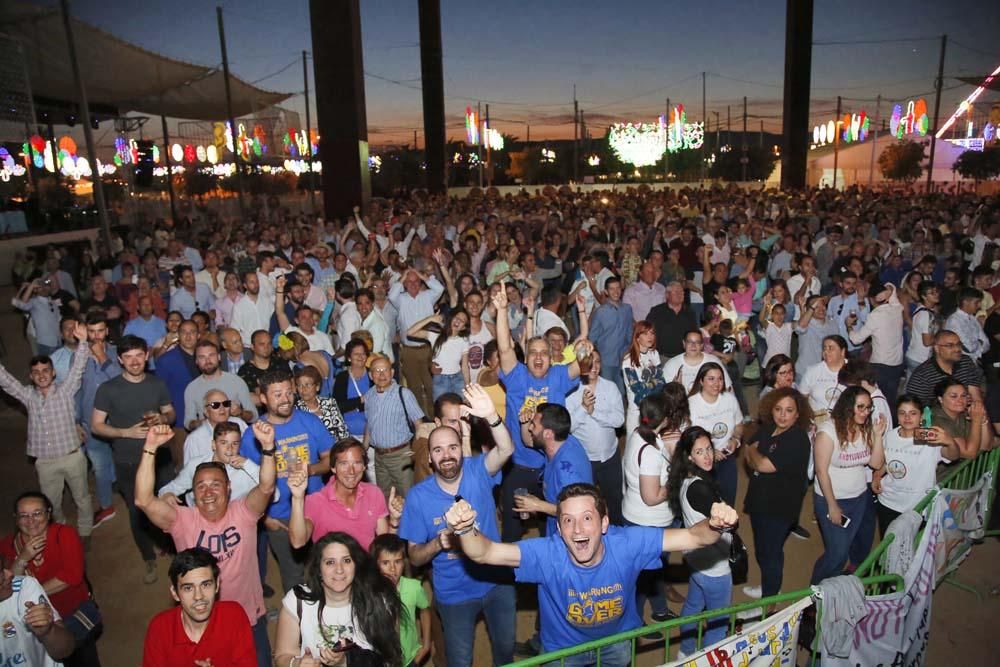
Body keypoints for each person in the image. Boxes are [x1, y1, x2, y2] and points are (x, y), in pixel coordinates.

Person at [442, 483, 738, 665]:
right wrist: (466, 529)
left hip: (617, 643)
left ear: (605, 523)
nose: (578, 529)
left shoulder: (627, 544)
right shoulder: (547, 553)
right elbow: (485, 552)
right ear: (559, 529)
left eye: (587, 518)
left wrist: (715, 525)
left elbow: (693, 538)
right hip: (562, 652)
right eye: (568, 521)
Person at [135, 421, 277, 667]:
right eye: (200, 486)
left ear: (229, 488)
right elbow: (143, 499)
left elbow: (266, 486)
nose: (208, 491)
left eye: (215, 485)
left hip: (248, 617)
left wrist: (267, 448)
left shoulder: (244, 512)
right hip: (200, 620)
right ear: (192, 491)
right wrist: (149, 449)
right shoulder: (181, 520)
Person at [398, 385, 516, 667]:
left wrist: (491, 417)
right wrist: (440, 542)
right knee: (460, 661)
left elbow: (506, 448)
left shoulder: (478, 471)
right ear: (429, 458)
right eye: (438, 450)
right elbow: (413, 556)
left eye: (452, 447)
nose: (447, 454)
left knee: (505, 651)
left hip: (498, 583)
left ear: (462, 450)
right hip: (454, 595)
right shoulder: (417, 498)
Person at [240, 369, 334, 594]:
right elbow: (245, 482)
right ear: (263, 398)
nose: (285, 399)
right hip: (278, 515)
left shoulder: (310, 421)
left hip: (315, 507)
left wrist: (308, 470)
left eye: (289, 393)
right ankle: (300, 623)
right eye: (277, 394)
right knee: (293, 575)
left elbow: (330, 459)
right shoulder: (253, 434)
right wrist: (264, 518)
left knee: (326, 567)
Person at [91, 334, 175, 584]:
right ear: (119, 359)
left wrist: (162, 419)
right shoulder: (108, 389)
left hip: (160, 458)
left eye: (139, 355)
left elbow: (170, 413)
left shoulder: (156, 383)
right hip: (129, 461)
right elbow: (96, 426)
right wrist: (125, 432)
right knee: (137, 510)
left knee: (168, 504)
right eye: (128, 357)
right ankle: (148, 557)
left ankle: (171, 548)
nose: (135, 361)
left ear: (147, 355)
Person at [0, 321, 94, 539]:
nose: (41, 375)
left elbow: (78, 367)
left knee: (82, 497)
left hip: (72, 456)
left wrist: (83, 342)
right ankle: (59, 530)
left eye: (45, 370)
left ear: (53, 373)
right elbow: (6, 381)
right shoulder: (28, 396)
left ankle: (86, 532)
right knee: (50, 502)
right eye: (36, 372)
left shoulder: (65, 390)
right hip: (45, 462)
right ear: (31, 377)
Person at [0, 492, 101, 667]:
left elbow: (72, 577)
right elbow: (9, 586)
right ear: (16, 519)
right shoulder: (8, 545)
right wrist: (23, 558)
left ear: (48, 513)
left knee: (81, 658)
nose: (31, 521)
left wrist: (30, 594)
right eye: (24, 515)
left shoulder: (64, 535)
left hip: (71, 613)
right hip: (31, 625)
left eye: (37, 513)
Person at [273, 532, 404, 667]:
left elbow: (390, 659)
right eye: (330, 562)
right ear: (318, 569)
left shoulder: (379, 599)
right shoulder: (298, 600)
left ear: (356, 565)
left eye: (346, 560)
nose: (339, 570)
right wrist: (296, 663)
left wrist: (346, 661)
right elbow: (282, 655)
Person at [667, 426, 734, 659]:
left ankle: (685, 652)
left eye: (708, 449)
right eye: (699, 452)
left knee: (693, 607)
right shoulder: (700, 489)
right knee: (718, 623)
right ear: (688, 456)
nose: (707, 456)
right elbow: (729, 523)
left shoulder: (686, 479)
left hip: (695, 559)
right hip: (715, 568)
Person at [742, 388, 813, 601]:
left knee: (770, 553)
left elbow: (761, 463)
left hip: (779, 508)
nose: (782, 415)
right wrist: (753, 453)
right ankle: (769, 587)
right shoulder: (770, 428)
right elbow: (747, 447)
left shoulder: (798, 439)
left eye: (789, 410)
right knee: (762, 550)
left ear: (798, 413)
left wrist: (754, 452)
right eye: (778, 409)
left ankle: (769, 601)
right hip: (759, 501)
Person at [810, 386, 886, 584]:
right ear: (847, 406)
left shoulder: (866, 429)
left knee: (843, 550)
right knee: (837, 553)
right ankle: (814, 592)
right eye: (860, 407)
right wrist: (832, 505)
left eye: (868, 408)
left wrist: (878, 436)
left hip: (859, 499)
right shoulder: (828, 431)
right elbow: (821, 471)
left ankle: (833, 590)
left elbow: (876, 464)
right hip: (832, 500)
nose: (865, 412)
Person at [621, 390, 684, 625]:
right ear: (666, 419)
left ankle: (659, 609)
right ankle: (634, 624)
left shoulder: (639, 434)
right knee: (642, 579)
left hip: (640, 518)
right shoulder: (648, 453)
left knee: (655, 571)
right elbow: (652, 496)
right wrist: (675, 479)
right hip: (647, 523)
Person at [142, 548, 256, 667]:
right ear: (175, 593)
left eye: (206, 584)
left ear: (217, 585)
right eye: (188, 588)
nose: (198, 596)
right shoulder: (159, 629)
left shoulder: (234, 616)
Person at [288, 438, 403, 551]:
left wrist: (394, 520)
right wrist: (297, 498)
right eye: (344, 464)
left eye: (357, 463)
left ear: (364, 466)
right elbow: (298, 542)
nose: (351, 471)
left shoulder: (374, 493)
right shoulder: (316, 501)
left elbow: (385, 547)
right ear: (333, 468)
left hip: (366, 568)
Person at [872, 395, 960, 535]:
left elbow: (953, 456)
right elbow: (885, 461)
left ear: (921, 416)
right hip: (889, 501)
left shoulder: (930, 437)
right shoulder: (889, 436)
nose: (907, 418)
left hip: (919, 504)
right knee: (887, 547)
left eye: (913, 413)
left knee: (915, 548)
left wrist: (950, 442)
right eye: (902, 413)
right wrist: (877, 475)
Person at [513, 404, 593, 536]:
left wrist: (538, 505)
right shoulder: (563, 440)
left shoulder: (568, 473)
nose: (530, 428)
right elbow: (528, 442)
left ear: (548, 434)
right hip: (553, 520)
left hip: (566, 533)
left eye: (533, 425)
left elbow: (575, 511)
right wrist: (525, 422)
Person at [566, 351, 626, 525]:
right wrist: (583, 408)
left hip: (610, 457)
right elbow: (568, 427)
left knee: (615, 501)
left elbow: (619, 420)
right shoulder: (571, 391)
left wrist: (594, 412)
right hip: (585, 460)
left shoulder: (611, 387)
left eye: (598, 361)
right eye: (590, 362)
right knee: (586, 504)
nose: (594, 366)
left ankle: (616, 538)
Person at [363, 355, 426, 499]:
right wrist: (363, 447)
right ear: (370, 375)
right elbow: (369, 423)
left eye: (385, 370)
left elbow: (419, 425)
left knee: (407, 496)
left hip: (401, 456)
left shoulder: (404, 394)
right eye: (377, 371)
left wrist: (417, 451)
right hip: (379, 456)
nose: (381, 374)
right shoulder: (369, 395)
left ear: (392, 373)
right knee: (384, 497)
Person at [0, 554, 77, 666]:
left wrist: (48, 632)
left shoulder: (23, 588)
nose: (10, 574)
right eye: (1, 577)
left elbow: (65, 650)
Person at [161, 422, 263, 506]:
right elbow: (170, 488)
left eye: (235, 443)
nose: (230, 448)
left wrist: (249, 465)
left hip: (232, 523)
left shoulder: (246, 469)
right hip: (198, 520)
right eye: (223, 443)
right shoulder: (196, 464)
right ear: (214, 445)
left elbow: (273, 493)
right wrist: (167, 494)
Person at [390, 264, 446, 417]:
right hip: (409, 351)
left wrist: (421, 275)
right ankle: (420, 419)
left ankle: (435, 416)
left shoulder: (427, 296)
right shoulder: (400, 299)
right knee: (414, 387)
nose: (413, 284)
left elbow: (440, 289)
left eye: (416, 282)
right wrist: (405, 275)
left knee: (431, 386)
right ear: (405, 284)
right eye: (409, 282)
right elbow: (391, 294)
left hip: (428, 348)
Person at [686, 363, 744, 506]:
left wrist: (735, 439)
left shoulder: (729, 399)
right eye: (711, 379)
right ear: (701, 381)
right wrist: (711, 451)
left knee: (728, 500)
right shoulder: (691, 404)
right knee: (706, 504)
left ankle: (727, 528)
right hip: (701, 462)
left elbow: (739, 424)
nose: (716, 383)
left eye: (720, 379)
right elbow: (686, 438)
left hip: (727, 457)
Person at [370, 534, 431, 667]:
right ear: (375, 564)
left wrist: (426, 645)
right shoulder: (370, 593)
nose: (393, 569)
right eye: (385, 563)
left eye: (397, 561)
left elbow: (425, 611)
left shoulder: (414, 587)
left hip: (410, 659)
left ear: (404, 562)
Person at [846, 282, 905, 410]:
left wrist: (849, 326)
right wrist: (888, 289)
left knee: (878, 400)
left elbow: (856, 340)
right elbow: (892, 288)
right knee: (891, 399)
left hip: (880, 365)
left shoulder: (875, 316)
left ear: (872, 299)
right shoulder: (897, 308)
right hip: (897, 363)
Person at [183, 340, 258, 430]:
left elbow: (254, 416)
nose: (207, 360)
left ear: (219, 357)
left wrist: (240, 413)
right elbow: (188, 422)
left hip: (235, 434)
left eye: (211, 355)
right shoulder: (192, 388)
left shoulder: (236, 381)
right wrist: (207, 422)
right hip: (206, 437)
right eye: (202, 357)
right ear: (196, 361)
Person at [905, 330, 987, 405]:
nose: (957, 349)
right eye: (950, 346)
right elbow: (915, 408)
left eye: (959, 344)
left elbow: (975, 395)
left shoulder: (966, 362)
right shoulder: (922, 375)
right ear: (937, 348)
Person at [406, 310, 472, 400]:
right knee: (441, 411)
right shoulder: (435, 335)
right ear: (451, 318)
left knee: (460, 410)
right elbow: (410, 332)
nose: (458, 321)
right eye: (457, 317)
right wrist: (430, 319)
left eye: (462, 320)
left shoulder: (463, 340)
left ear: (464, 327)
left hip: (458, 379)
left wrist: (468, 388)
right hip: (440, 380)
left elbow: (465, 366)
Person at [588, 276, 633, 395]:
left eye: (618, 288)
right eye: (612, 289)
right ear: (606, 292)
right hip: (606, 360)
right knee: (606, 393)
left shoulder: (627, 309)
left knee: (623, 393)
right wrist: (593, 359)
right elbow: (592, 337)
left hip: (624, 358)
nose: (616, 291)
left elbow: (629, 332)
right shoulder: (600, 312)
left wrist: (629, 350)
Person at [929, 379, 993, 459]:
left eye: (963, 395)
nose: (960, 400)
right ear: (940, 399)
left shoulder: (964, 414)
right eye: (953, 396)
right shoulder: (935, 419)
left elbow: (986, 446)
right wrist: (976, 421)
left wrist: (983, 421)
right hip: (943, 471)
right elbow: (970, 453)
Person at [621, 321, 665, 436]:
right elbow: (638, 389)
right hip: (637, 412)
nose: (650, 337)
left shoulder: (654, 353)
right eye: (645, 334)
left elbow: (662, 381)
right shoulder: (628, 360)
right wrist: (655, 383)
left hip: (654, 409)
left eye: (652, 333)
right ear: (637, 337)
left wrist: (650, 384)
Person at [182, 389, 250, 464]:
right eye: (215, 405)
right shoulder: (194, 440)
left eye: (226, 404)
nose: (222, 409)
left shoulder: (239, 424)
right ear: (206, 412)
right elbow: (190, 472)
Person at [662, 329, 733, 392]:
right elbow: (664, 394)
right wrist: (674, 389)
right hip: (681, 405)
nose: (693, 345)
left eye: (697, 342)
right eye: (690, 342)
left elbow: (728, 388)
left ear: (702, 345)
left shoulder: (713, 361)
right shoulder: (672, 364)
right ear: (684, 344)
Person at [800, 335, 849, 420]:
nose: (826, 351)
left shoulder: (855, 370)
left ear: (842, 351)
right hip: (819, 421)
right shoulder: (812, 371)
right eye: (824, 348)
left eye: (831, 348)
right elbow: (801, 398)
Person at [294, 366, 350, 440]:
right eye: (300, 385)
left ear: (317, 386)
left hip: (336, 448)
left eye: (307, 385)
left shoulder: (330, 403)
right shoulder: (295, 410)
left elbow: (343, 431)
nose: (303, 389)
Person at [647, 281, 699, 359]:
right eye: (676, 292)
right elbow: (647, 333)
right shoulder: (656, 311)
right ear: (667, 295)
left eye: (681, 292)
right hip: (662, 357)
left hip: (684, 357)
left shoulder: (690, 313)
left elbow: (695, 334)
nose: (680, 294)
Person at [333, 339, 372, 440]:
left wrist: (353, 405)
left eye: (363, 353)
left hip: (372, 433)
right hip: (348, 435)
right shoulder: (342, 378)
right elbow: (338, 406)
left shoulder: (373, 375)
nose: (360, 357)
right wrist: (360, 400)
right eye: (356, 354)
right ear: (349, 358)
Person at [231, 271, 276, 347]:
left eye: (257, 281)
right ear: (245, 285)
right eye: (252, 282)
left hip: (268, 344)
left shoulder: (267, 301)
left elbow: (274, 321)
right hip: (249, 346)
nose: (256, 285)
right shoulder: (239, 306)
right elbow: (235, 330)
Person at [238, 329, 283, 404]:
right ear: (252, 347)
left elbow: (292, 388)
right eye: (262, 344)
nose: (267, 347)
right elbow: (250, 399)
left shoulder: (280, 363)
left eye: (269, 343)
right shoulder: (245, 370)